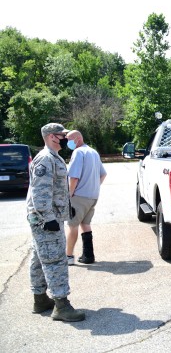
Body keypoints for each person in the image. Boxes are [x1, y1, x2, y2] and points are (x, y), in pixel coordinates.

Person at [26, 123, 85, 322]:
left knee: (39, 258)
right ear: (52, 137)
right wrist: (48, 218)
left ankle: (40, 299)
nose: (67, 138)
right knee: (55, 260)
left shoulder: (53, 157)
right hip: (45, 220)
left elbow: (54, 189)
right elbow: (39, 192)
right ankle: (61, 305)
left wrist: (67, 208)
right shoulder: (45, 158)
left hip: (46, 217)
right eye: (63, 135)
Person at [65, 130, 107, 265]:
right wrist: (94, 187)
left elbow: (74, 177)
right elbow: (103, 174)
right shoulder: (93, 152)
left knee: (72, 225)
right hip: (93, 196)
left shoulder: (78, 153)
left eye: (69, 140)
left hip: (79, 197)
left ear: (77, 139)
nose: (67, 143)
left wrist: (69, 194)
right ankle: (88, 255)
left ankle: (68, 256)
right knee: (85, 224)